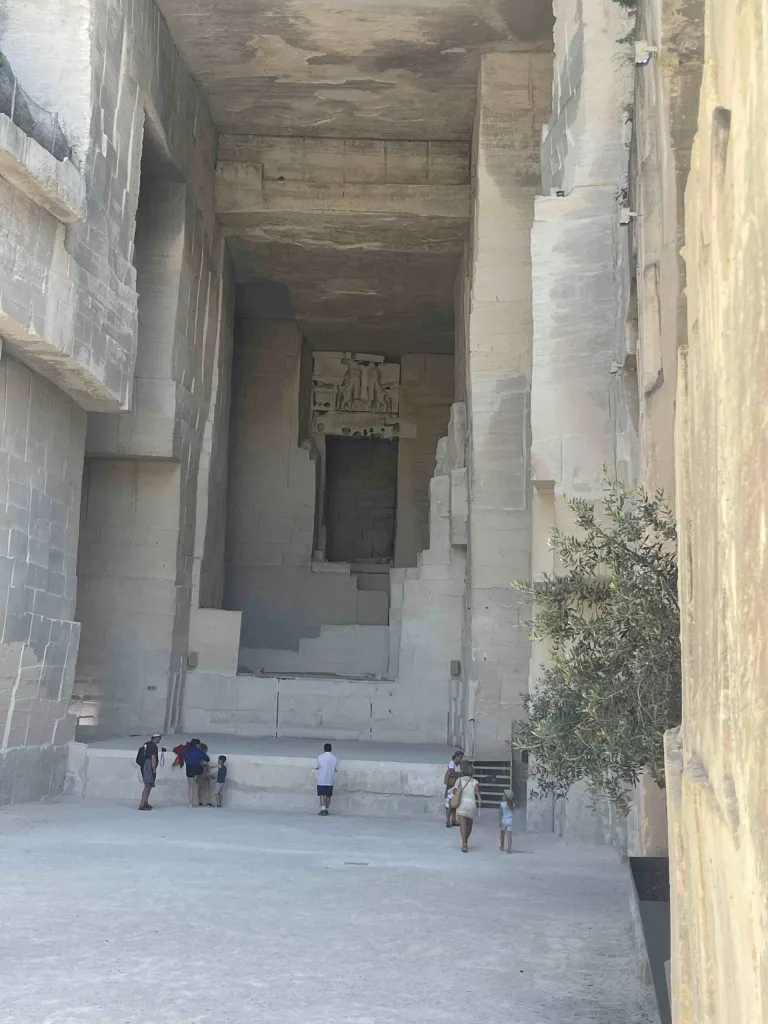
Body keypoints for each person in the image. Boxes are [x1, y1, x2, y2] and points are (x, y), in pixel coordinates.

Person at [453, 760, 481, 852]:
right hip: (471, 804)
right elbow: (479, 796)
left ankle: (464, 843)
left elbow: (455, 791)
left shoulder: (459, 780)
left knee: (462, 825)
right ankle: (466, 840)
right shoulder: (475, 782)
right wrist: (479, 806)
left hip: (461, 804)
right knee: (469, 825)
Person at [137, 732, 162, 811]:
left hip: (145, 766)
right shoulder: (153, 746)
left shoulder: (147, 744)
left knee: (149, 785)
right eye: (159, 738)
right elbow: (153, 758)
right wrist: (154, 769)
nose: (160, 740)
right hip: (148, 766)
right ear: (156, 738)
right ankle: (142, 804)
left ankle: (145, 803)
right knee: (147, 785)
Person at [183, 738, 210, 806]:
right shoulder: (199, 751)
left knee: (190, 786)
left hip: (189, 768)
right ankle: (202, 798)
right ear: (197, 744)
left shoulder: (187, 750)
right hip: (197, 768)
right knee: (204, 774)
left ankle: (190, 803)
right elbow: (207, 759)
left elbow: (185, 760)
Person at [315, 742, 338, 816]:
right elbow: (336, 768)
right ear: (331, 749)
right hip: (330, 779)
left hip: (321, 779)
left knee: (322, 794)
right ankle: (327, 809)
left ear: (324, 749)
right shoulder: (334, 758)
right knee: (328, 795)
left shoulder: (320, 757)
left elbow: (316, 766)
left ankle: (323, 809)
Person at [443, 749, 464, 827]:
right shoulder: (452, 763)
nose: (461, 759)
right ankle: (448, 821)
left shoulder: (458, 765)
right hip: (450, 786)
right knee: (449, 804)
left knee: (454, 804)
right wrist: (459, 774)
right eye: (460, 758)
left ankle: (454, 820)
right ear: (456, 757)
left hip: (455, 786)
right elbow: (452, 772)